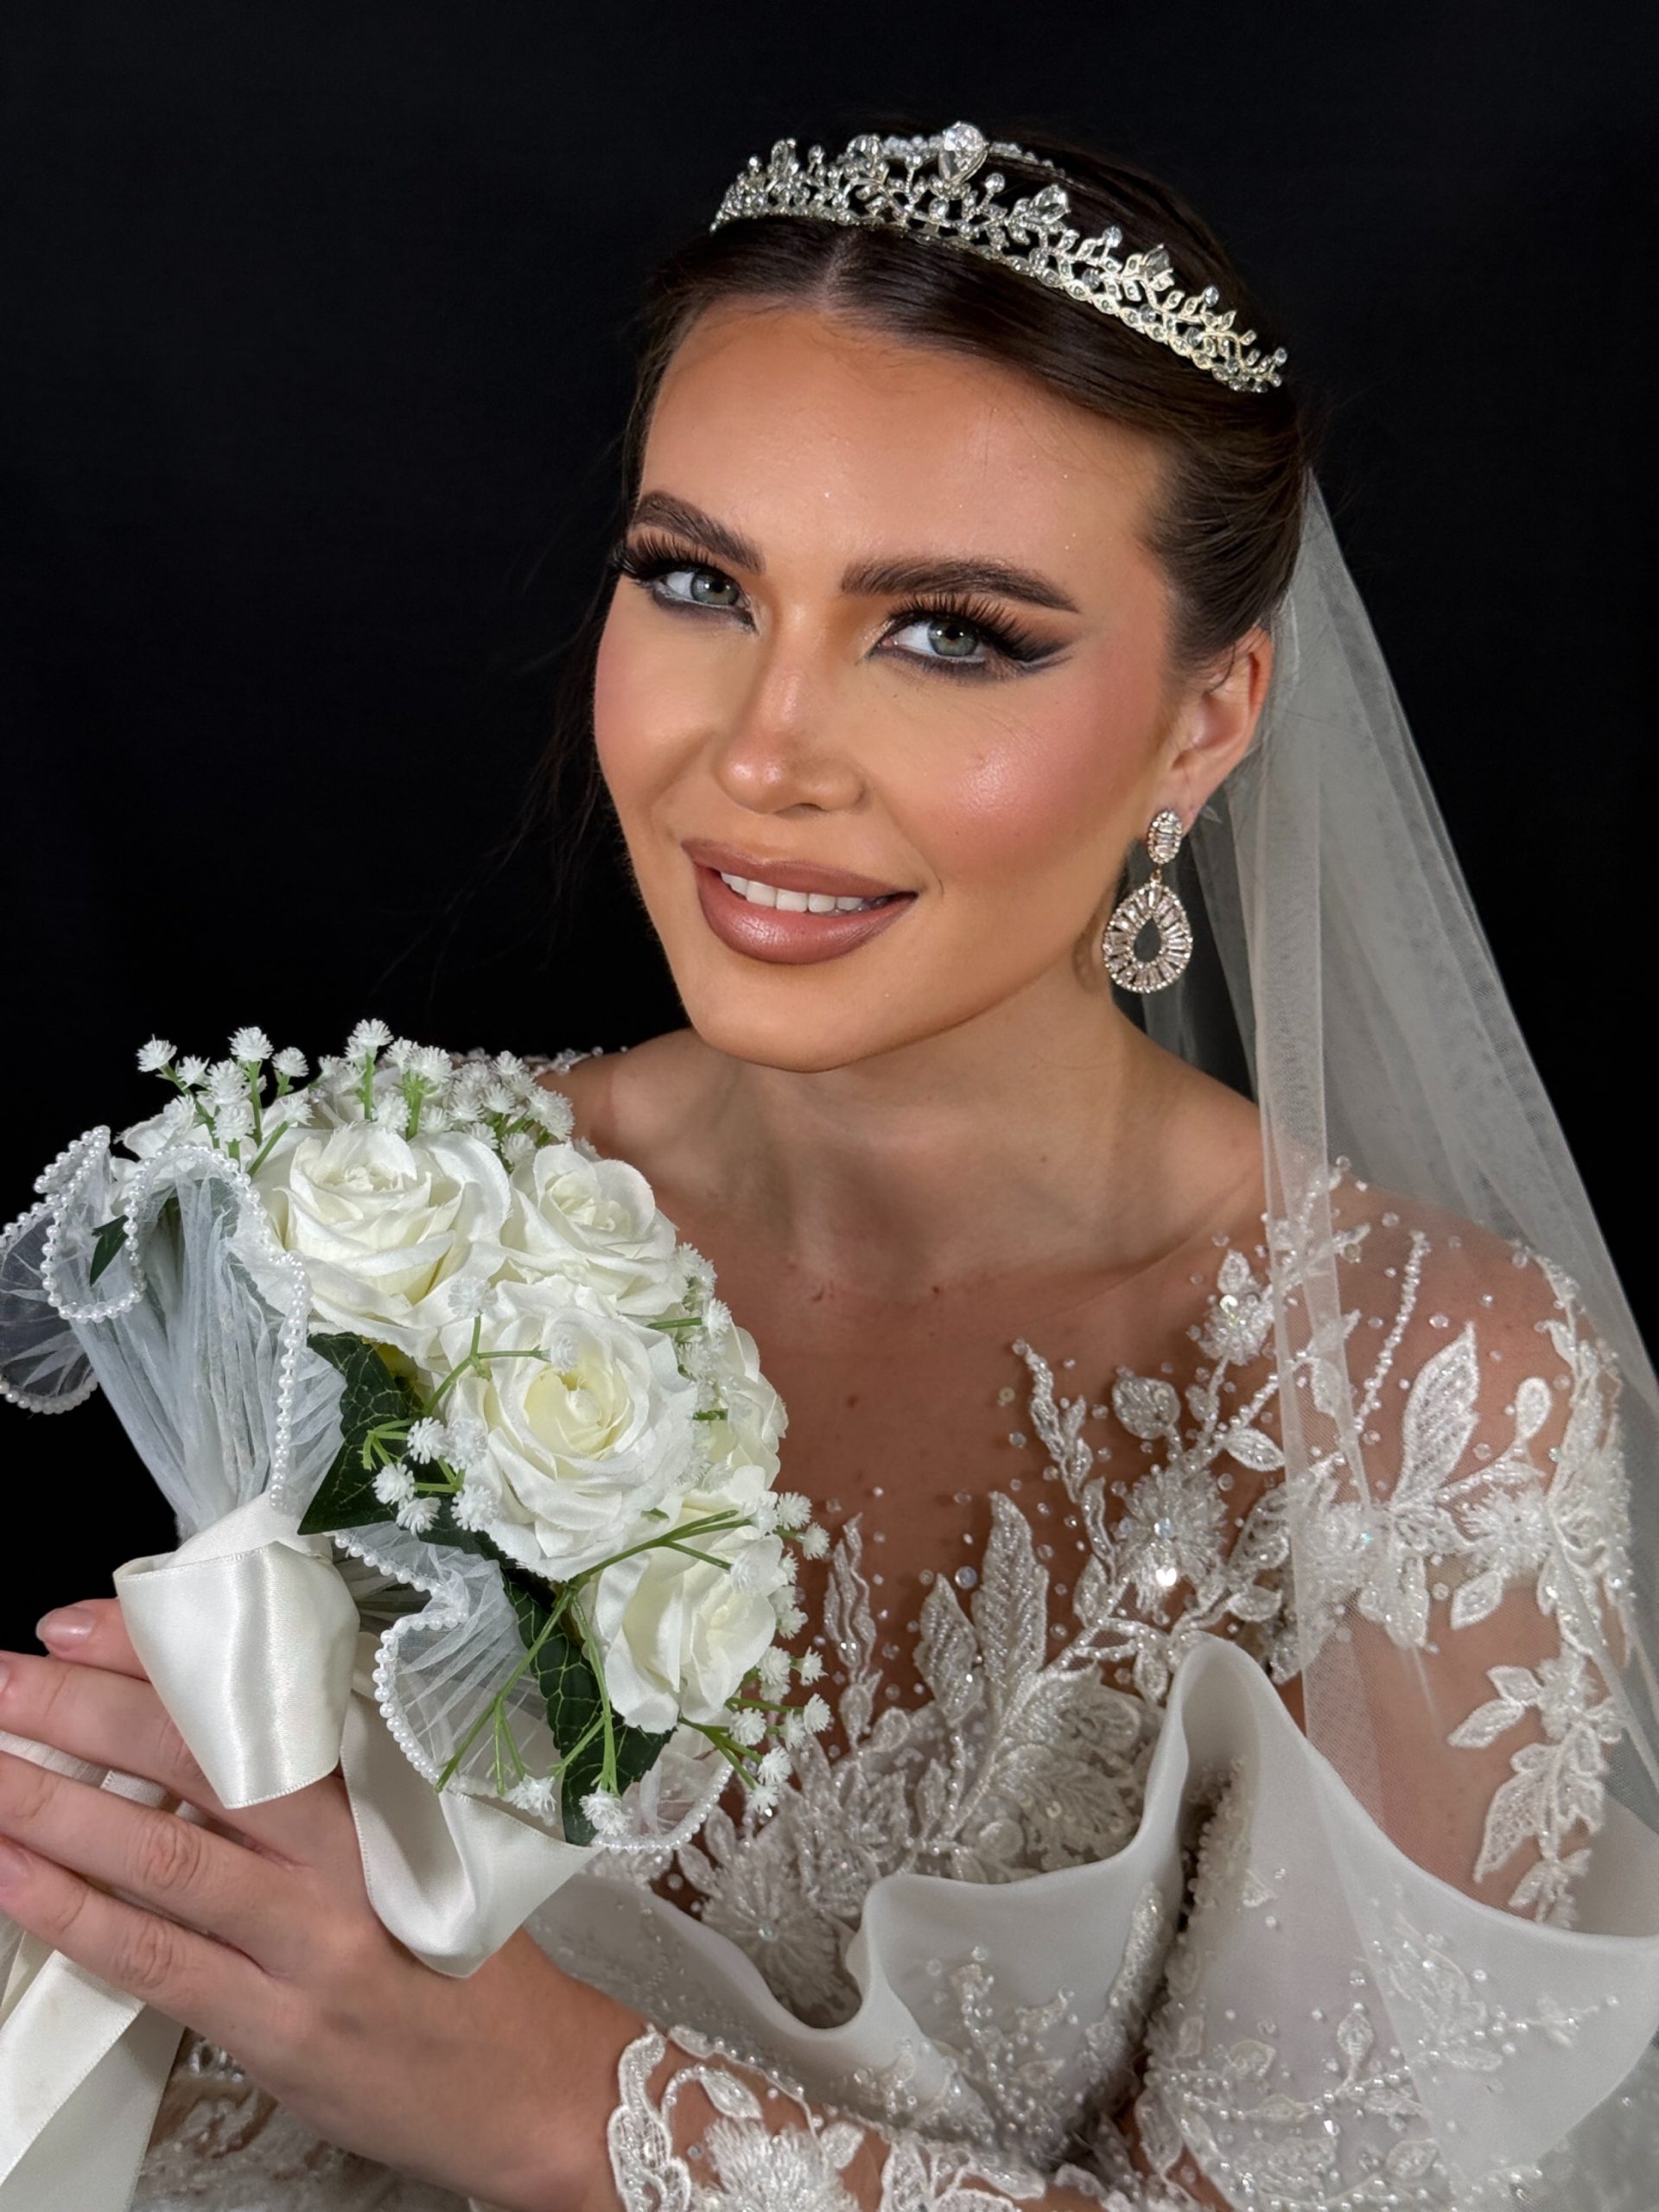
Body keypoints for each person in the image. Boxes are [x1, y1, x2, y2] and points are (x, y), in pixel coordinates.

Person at [2, 120, 1656, 2212]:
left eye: (950, 631)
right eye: (697, 583)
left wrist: (563, 2102)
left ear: (1207, 719)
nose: (763, 749)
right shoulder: (373, 1215)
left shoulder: (1418, 1406)